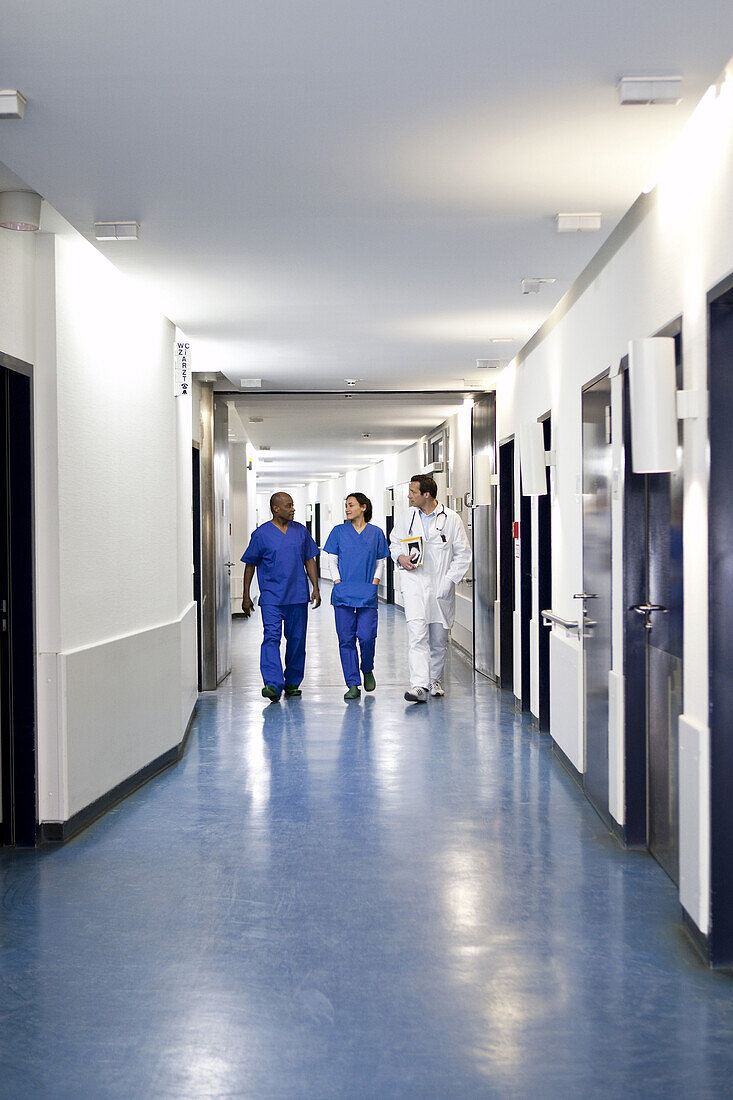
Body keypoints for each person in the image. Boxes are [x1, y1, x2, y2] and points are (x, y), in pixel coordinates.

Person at [389, 474, 472, 703]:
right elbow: (394, 541)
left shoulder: (451, 518)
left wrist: (449, 581)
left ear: (426, 494)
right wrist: (400, 557)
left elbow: (463, 554)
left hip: (441, 586)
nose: (409, 496)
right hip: (414, 583)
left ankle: (434, 679)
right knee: (417, 636)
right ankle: (418, 685)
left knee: (438, 638)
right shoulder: (407, 517)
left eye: (413, 491)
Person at [241, 492, 320, 702]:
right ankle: (273, 684)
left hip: (297, 596)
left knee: (296, 640)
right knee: (271, 638)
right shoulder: (261, 534)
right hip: (272, 598)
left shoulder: (301, 532)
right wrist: (246, 595)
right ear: (276, 509)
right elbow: (250, 564)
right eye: (289, 505)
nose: (293, 509)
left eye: (293, 505)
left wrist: (316, 587)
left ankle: (292, 682)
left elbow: (309, 560)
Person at [322, 492, 390, 701]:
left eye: (351, 505)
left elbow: (380, 562)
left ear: (364, 507)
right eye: (346, 506)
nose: (347, 509)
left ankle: (367, 668)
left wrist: (374, 584)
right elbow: (332, 561)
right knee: (346, 639)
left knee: (367, 637)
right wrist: (337, 582)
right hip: (343, 592)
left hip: (367, 592)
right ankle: (352, 684)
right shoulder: (338, 531)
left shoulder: (376, 533)